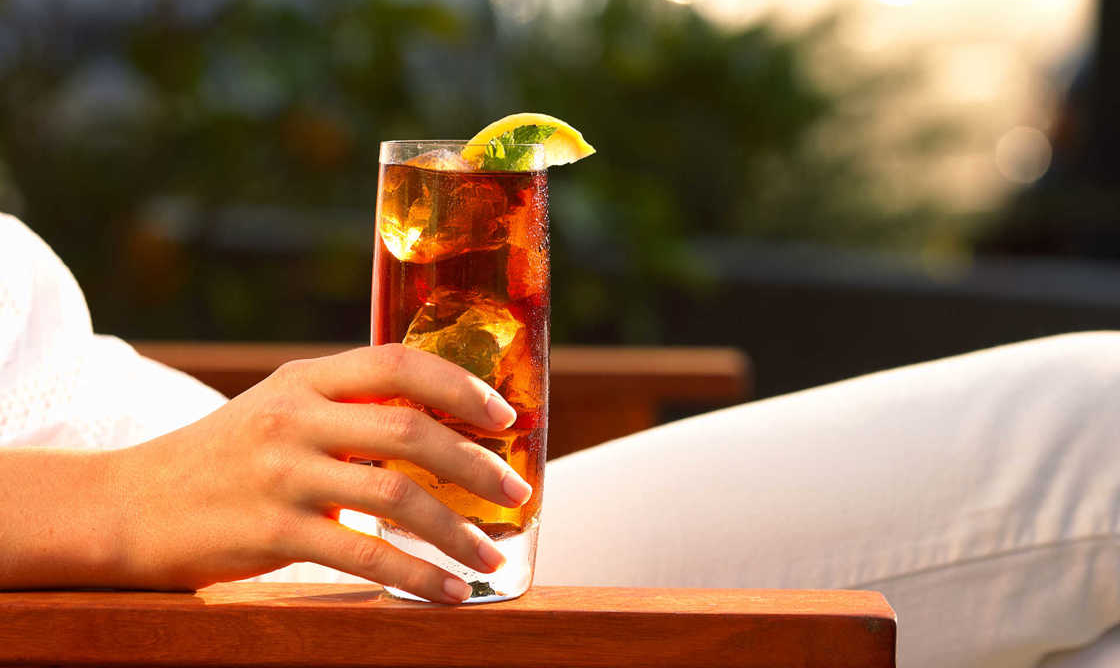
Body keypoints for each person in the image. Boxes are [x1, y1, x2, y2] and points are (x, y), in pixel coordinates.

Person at [1, 212, 1117, 667]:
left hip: (335, 542)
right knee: (1098, 421)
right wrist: (125, 503)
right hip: (270, 607)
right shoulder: (141, 514)